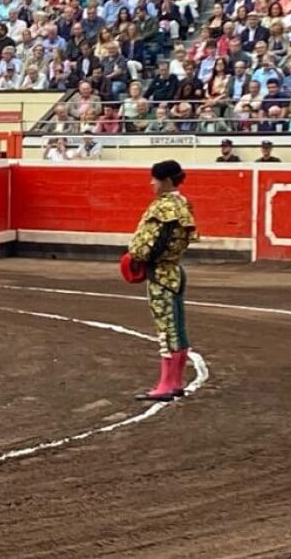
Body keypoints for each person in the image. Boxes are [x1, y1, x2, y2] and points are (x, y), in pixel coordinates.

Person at [125, 160, 199, 402]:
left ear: (166, 181)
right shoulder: (183, 203)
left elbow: (147, 246)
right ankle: (175, 382)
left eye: (154, 179)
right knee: (177, 327)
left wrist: (136, 258)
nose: (151, 183)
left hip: (160, 273)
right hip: (175, 270)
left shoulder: (163, 208)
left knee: (165, 329)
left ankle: (166, 385)